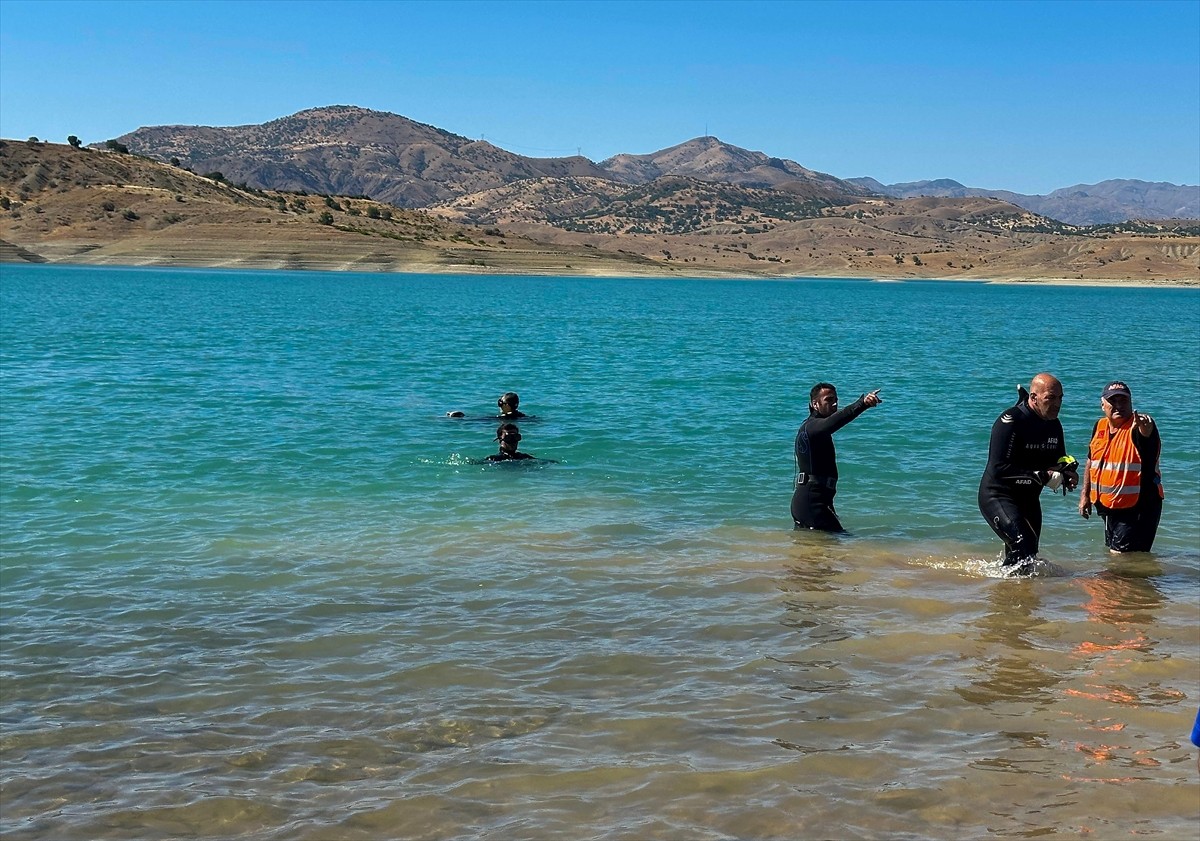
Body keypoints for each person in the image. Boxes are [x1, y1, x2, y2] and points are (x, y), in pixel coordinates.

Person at [978, 373, 1079, 572]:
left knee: (1029, 554)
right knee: (1022, 544)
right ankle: (1006, 591)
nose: (1057, 404)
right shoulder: (1010, 421)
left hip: (1029, 500)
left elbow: (1058, 461)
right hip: (998, 496)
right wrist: (1038, 475)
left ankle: (1014, 596)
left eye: (1060, 398)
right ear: (1033, 398)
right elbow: (999, 468)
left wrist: (1067, 474)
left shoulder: (1054, 425)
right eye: (1051, 398)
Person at [1078, 381, 1163, 552]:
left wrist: (1146, 428)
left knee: (1121, 557)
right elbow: (1091, 461)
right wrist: (1085, 496)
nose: (1118, 406)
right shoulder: (1100, 426)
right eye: (1113, 401)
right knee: (1120, 556)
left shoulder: (1137, 426)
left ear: (1131, 403)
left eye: (1123, 401)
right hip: (1108, 507)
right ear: (1103, 405)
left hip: (1138, 506)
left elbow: (1147, 436)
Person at [790, 382, 883, 531]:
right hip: (812, 502)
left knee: (813, 550)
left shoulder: (811, 427)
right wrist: (863, 404)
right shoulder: (814, 427)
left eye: (835, 400)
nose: (834, 404)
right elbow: (838, 420)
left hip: (811, 500)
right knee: (840, 543)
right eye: (828, 400)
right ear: (815, 404)